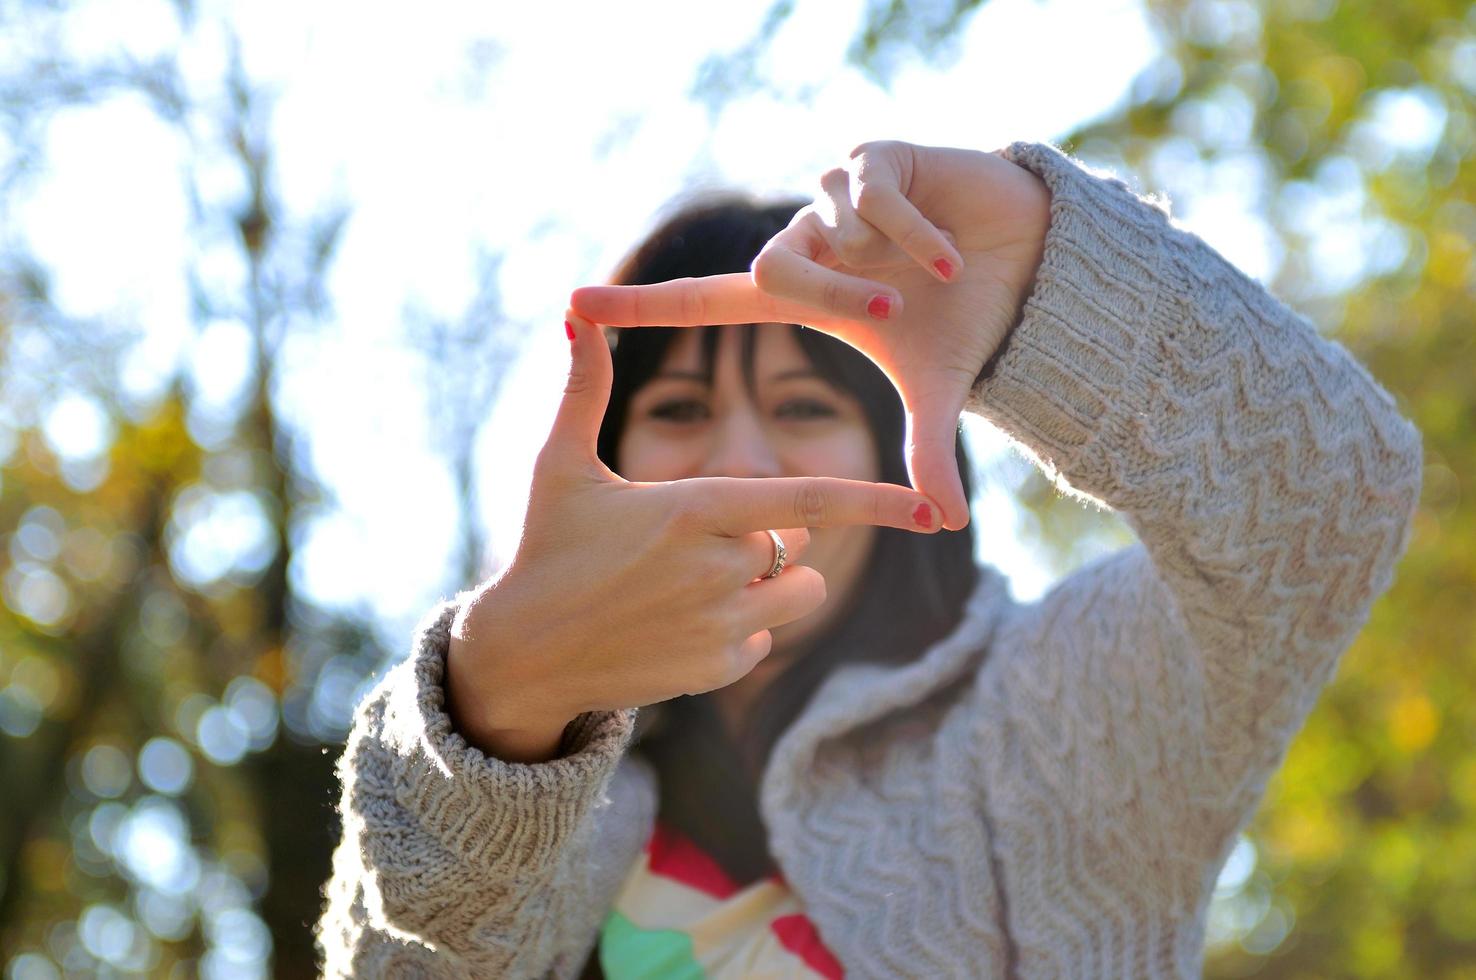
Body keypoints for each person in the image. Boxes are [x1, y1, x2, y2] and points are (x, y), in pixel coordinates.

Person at [316, 140, 1422, 978]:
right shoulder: (516, 794)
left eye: (801, 403)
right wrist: (499, 698)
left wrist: (1047, 270)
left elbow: (1332, 499)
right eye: (684, 405)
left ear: (896, 445)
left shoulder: (1055, 715)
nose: (742, 460)